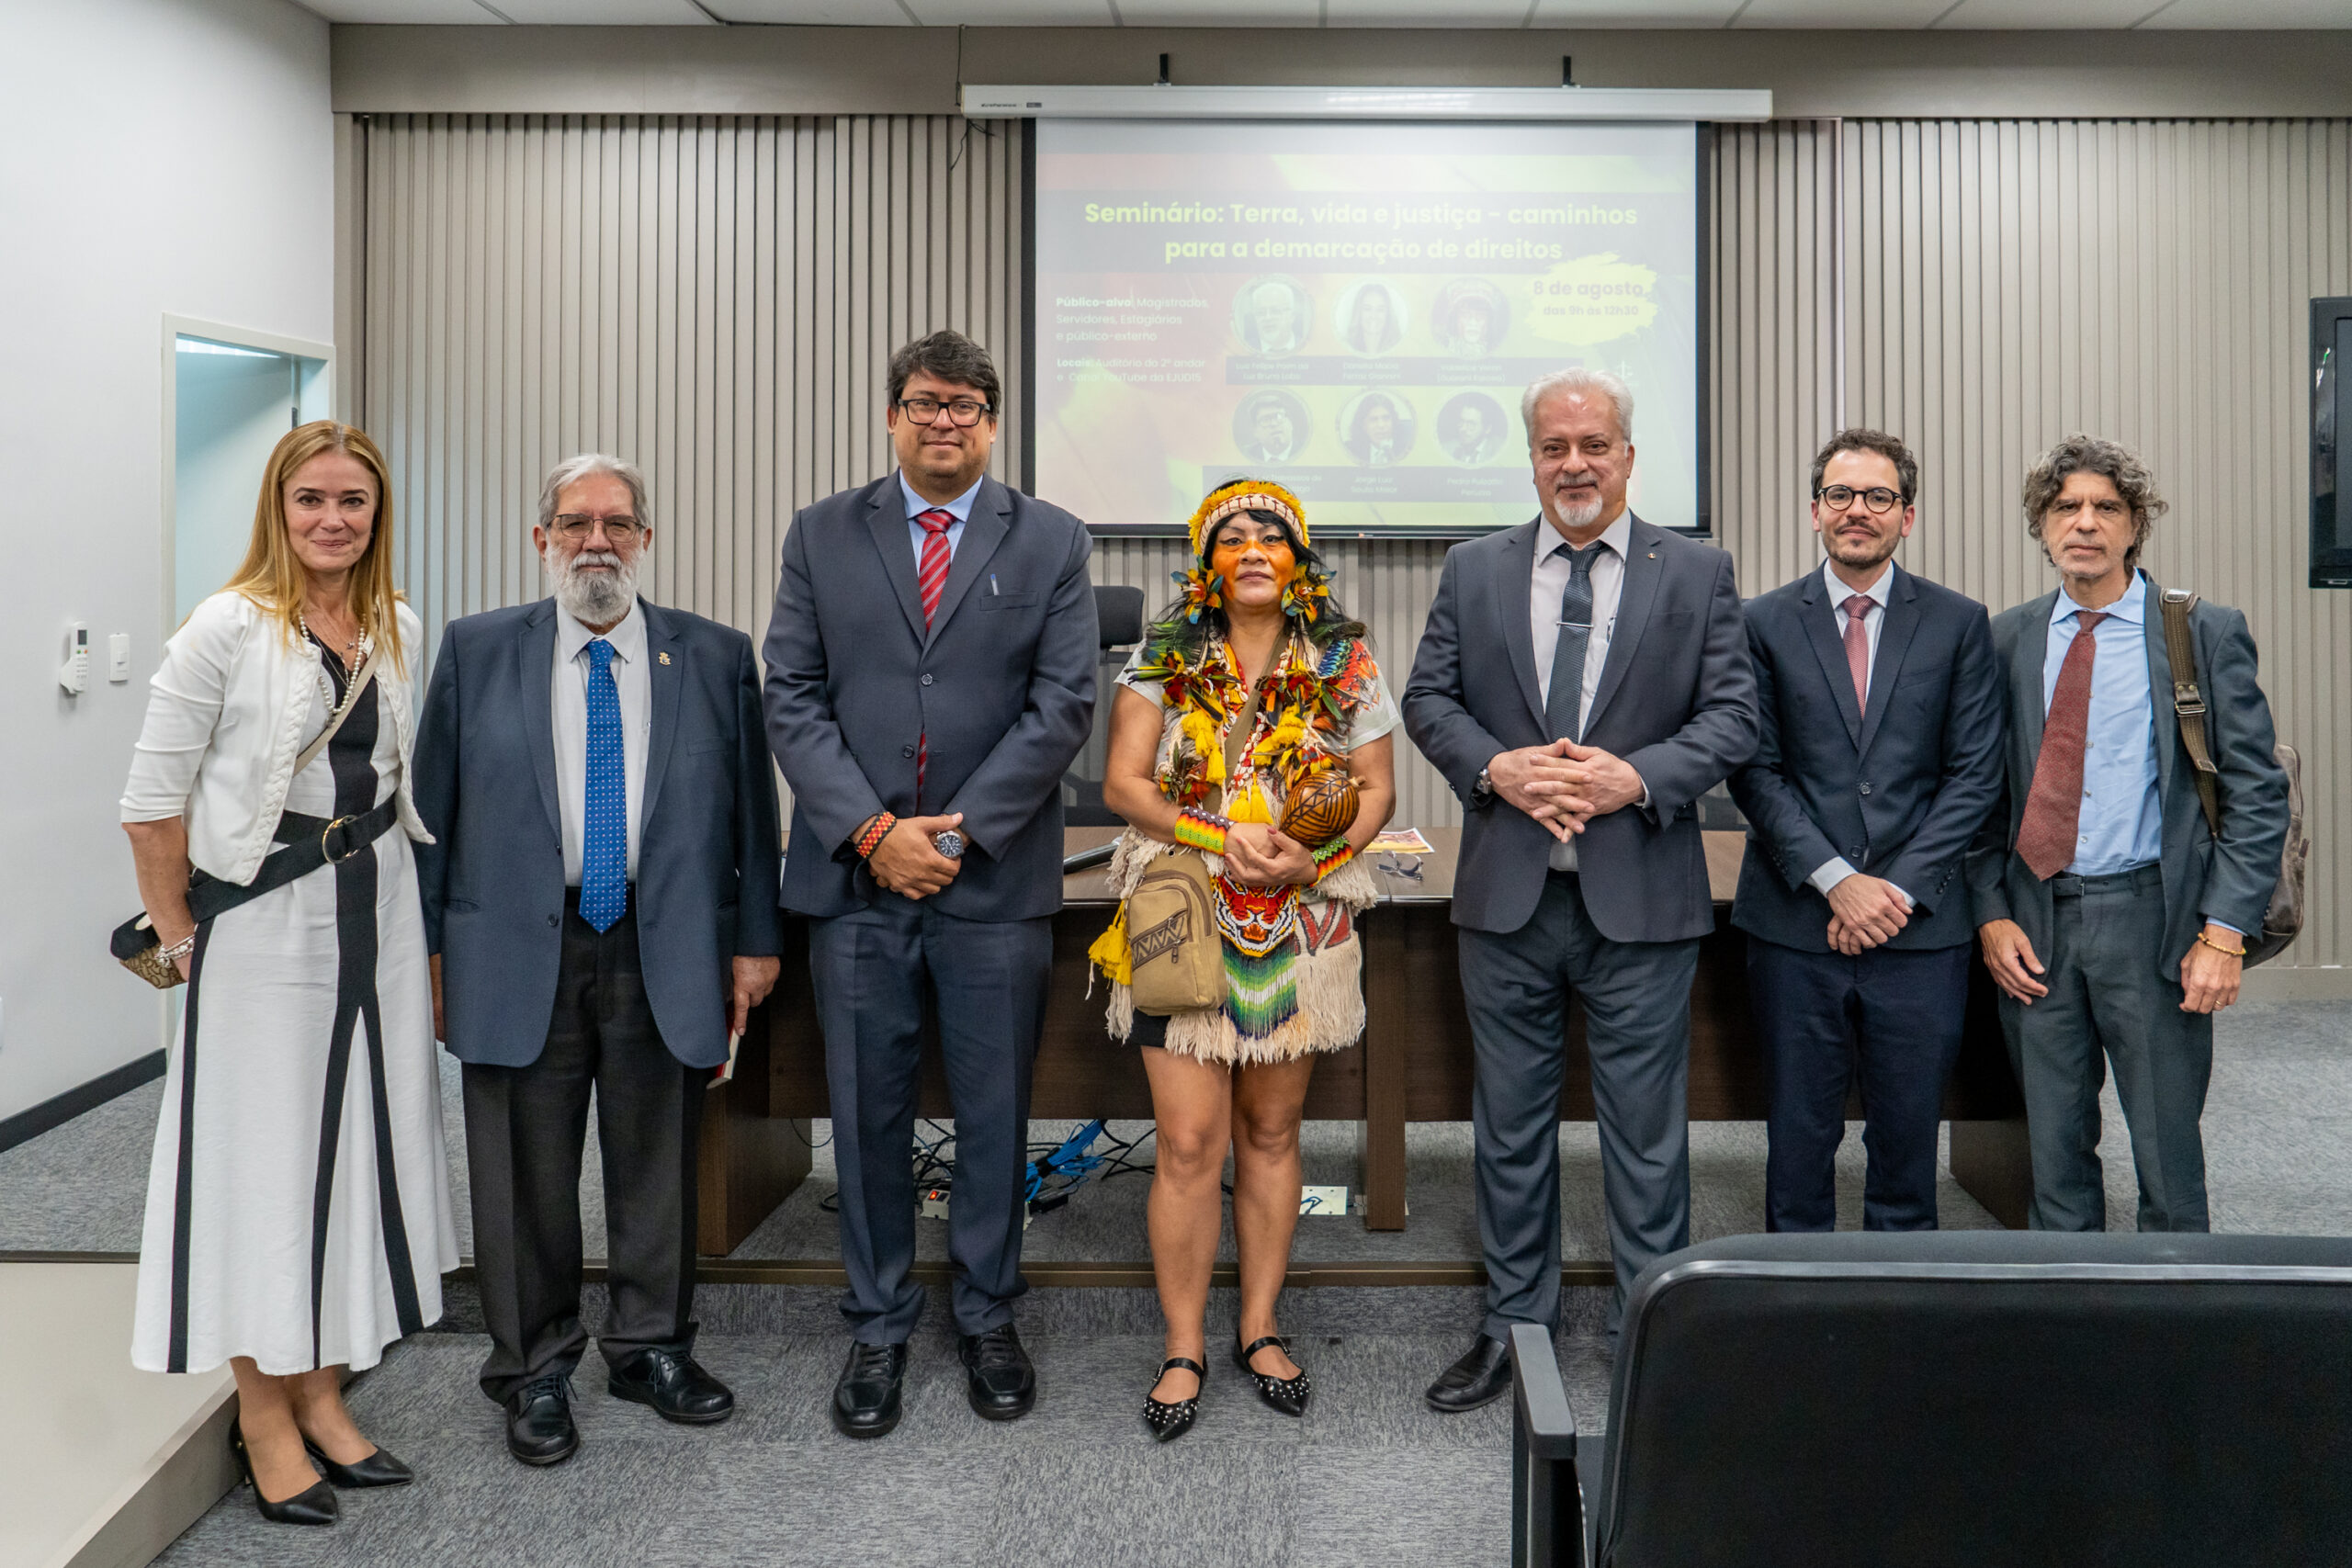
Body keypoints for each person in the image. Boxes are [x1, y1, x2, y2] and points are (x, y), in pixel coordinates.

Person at [413, 454, 782, 1468]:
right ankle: (532, 1367)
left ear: (645, 540)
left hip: (665, 944)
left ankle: (649, 1347)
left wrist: (755, 942)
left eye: (617, 524)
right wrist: (433, 952)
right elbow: (431, 821)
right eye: (574, 523)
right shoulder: (477, 650)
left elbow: (755, 812)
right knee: (523, 1172)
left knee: (657, 1157)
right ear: (542, 540)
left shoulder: (712, 655)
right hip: (515, 945)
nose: (596, 542)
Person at [121, 420, 458, 1526]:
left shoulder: (396, 622)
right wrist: (179, 940)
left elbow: (401, 785)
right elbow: (151, 804)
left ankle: (320, 1390)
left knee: (358, 1145)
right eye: (311, 499)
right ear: (278, 507)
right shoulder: (224, 627)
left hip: (379, 910)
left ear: (377, 514)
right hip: (259, 928)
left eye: (352, 502)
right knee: (260, 1162)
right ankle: (261, 1412)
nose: (332, 519)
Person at [763, 330, 1097, 1439]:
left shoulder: (1049, 539)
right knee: (864, 1111)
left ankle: (989, 1312)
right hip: (857, 883)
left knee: (996, 1110)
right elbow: (793, 694)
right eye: (922, 402)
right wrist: (870, 831)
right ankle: (876, 1323)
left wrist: (954, 837)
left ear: (991, 420)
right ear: (892, 416)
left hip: (991, 882)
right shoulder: (821, 533)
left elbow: (1063, 704)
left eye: (963, 403)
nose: (942, 419)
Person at [1402, 367, 1756, 1410]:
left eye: (1593, 444)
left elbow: (1732, 717)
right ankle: (1515, 1330)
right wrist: (1496, 768)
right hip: (1508, 898)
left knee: (1645, 1137)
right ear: (1531, 458)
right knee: (1507, 1129)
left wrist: (1634, 776)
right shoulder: (1475, 569)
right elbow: (1428, 696)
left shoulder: (1693, 571)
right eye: (1554, 447)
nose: (1574, 464)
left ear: (1628, 455)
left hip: (1641, 894)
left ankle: (1655, 1343)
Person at [1096, 479, 1398, 1442]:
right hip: (1184, 910)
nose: (1255, 547)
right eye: (1233, 537)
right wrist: (1215, 833)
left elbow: (1376, 789)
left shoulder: (1345, 658)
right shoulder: (1165, 651)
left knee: (1271, 1134)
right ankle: (1183, 1345)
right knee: (1189, 1143)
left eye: (1274, 534)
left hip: (1299, 918)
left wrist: (1320, 857)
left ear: (1300, 558)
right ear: (1207, 562)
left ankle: (1258, 1329)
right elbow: (1122, 784)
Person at [1966, 434, 2289, 1233]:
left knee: (2166, 1156)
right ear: (2041, 526)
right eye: (2065, 507)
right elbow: (1977, 795)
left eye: (2106, 507)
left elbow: (2256, 792)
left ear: (2135, 524)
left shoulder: (2199, 632)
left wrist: (2223, 932)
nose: (2085, 523)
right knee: (2052, 1151)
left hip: (2155, 919)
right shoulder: (2007, 640)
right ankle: (2070, 1326)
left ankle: (2177, 1330)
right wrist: (1990, 911)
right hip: (2036, 920)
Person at [1728, 430, 2005, 1233]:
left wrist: (1894, 890)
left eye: (1878, 497)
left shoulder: (1958, 623)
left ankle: (1900, 1316)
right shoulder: (1762, 622)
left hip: (1920, 932)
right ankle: (1796, 1315)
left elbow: (1975, 776)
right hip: (1795, 922)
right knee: (1798, 1139)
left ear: (1907, 516)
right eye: (1841, 495)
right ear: (1815, 509)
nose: (1858, 511)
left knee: (1908, 1142)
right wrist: (1836, 880)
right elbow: (1754, 770)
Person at [1243, 279, 1304, 355]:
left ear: (1292, 316)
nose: (1267, 318)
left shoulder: (1307, 347)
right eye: (1260, 313)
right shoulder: (1244, 349)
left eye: (1275, 311)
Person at [1347, 394, 1408, 466]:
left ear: (1394, 421)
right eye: (1373, 419)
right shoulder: (1350, 450)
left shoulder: (1407, 448)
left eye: (1386, 418)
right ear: (1363, 425)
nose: (1381, 425)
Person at [1238, 396, 1302, 464]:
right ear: (1255, 431)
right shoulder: (1243, 455)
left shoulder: (1307, 451)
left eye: (1279, 416)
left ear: (1291, 423)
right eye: (1265, 420)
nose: (1273, 424)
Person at [1344, 283, 1400, 355]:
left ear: (1388, 314)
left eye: (1380, 309)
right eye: (1367, 309)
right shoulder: (1345, 346)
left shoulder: (1401, 347)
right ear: (1358, 313)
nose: (1374, 316)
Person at [1445, 400, 1497, 466]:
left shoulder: (1498, 451)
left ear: (1487, 429)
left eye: (1471, 424)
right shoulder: (1447, 449)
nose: (1463, 429)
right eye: (1461, 421)